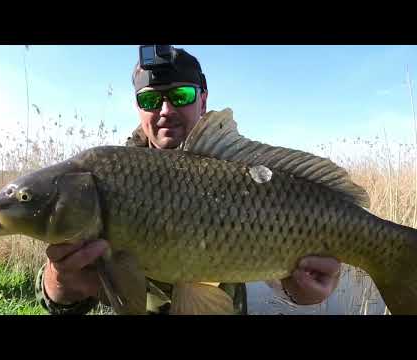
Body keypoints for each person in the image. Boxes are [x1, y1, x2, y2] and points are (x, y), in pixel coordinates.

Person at [35, 47, 342, 315]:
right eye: (151, 99)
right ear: (137, 107)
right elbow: (57, 304)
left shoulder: (239, 170)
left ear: (203, 101)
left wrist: (300, 291)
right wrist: (61, 279)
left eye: (181, 95)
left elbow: (276, 272)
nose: (165, 110)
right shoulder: (106, 181)